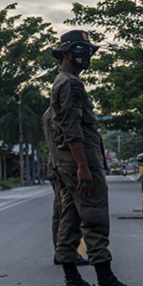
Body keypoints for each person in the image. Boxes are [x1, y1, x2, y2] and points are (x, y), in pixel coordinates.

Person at [49, 30, 141, 286]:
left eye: (88, 50)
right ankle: (106, 281)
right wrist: (83, 166)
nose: (86, 54)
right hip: (80, 160)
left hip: (69, 161)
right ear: (66, 52)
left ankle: (72, 279)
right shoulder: (70, 84)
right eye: (81, 49)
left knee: (72, 216)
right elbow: (72, 127)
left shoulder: (63, 81)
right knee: (94, 216)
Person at [43, 107, 89, 267]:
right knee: (65, 210)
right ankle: (64, 252)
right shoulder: (55, 114)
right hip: (62, 168)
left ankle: (62, 252)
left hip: (59, 167)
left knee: (61, 209)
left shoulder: (51, 113)